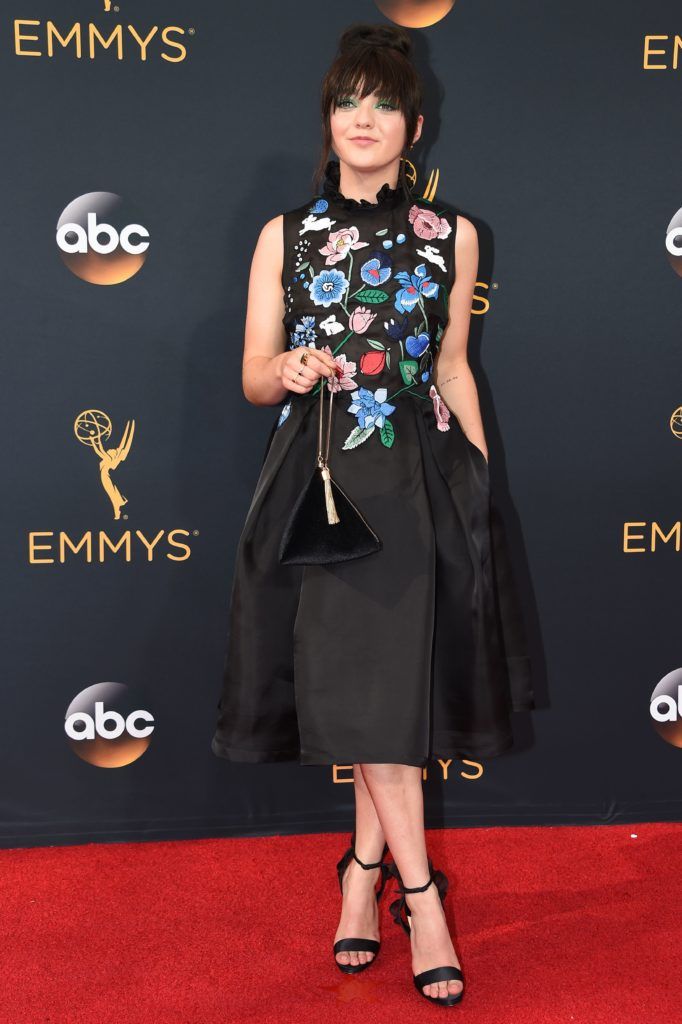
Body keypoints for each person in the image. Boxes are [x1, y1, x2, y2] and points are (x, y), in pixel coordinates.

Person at [211, 21, 534, 1007]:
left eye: (382, 103)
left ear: (414, 125)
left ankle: (361, 877)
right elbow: (254, 377)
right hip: (322, 486)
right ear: (328, 122)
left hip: (422, 481)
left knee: (384, 701)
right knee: (368, 698)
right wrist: (289, 367)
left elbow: (450, 368)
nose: (364, 118)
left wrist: (478, 482)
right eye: (348, 102)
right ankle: (420, 897)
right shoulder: (287, 236)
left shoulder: (454, 236)